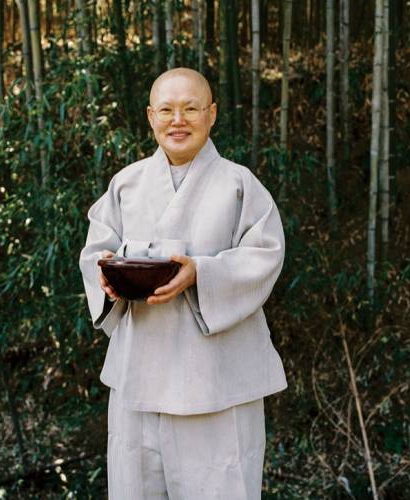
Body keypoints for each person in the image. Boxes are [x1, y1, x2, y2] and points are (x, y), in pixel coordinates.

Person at [79, 67, 287, 499]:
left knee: (221, 485)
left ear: (212, 114)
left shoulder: (239, 184)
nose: (178, 120)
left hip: (217, 378)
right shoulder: (126, 184)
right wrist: (107, 277)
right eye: (167, 110)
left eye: (191, 109)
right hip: (140, 373)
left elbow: (265, 255)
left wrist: (201, 273)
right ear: (150, 116)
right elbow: (97, 251)